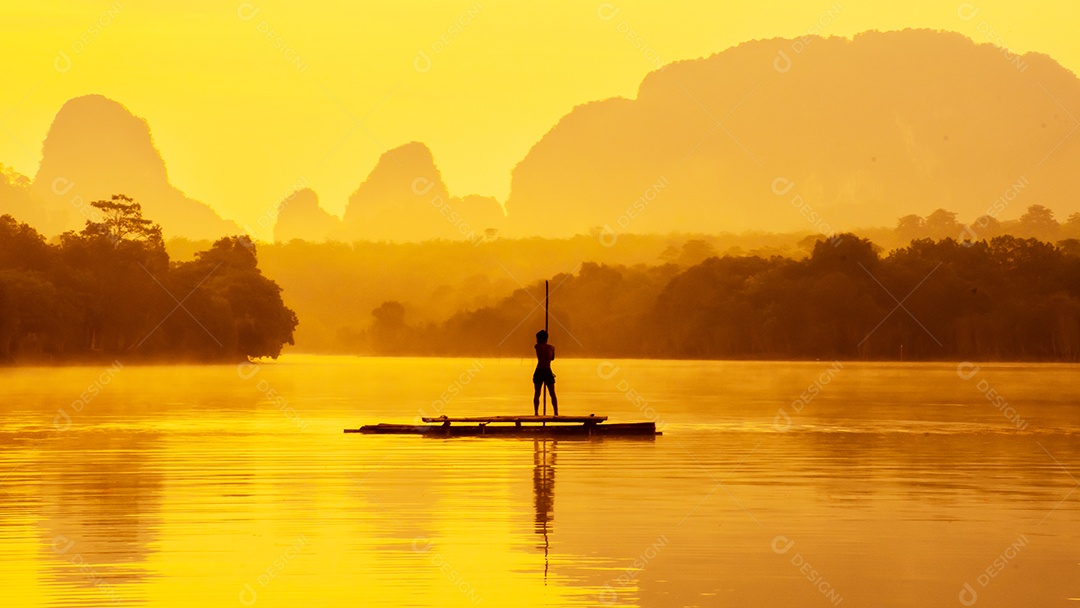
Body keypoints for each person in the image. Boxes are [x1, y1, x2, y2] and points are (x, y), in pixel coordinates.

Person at [533, 330, 558, 416]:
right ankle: (555, 412)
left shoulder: (537, 346)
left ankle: (536, 412)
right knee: (551, 393)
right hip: (546, 370)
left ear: (541, 338)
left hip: (541, 370)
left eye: (537, 338)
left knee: (538, 393)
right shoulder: (552, 347)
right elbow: (552, 358)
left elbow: (551, 358)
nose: (536, 340)